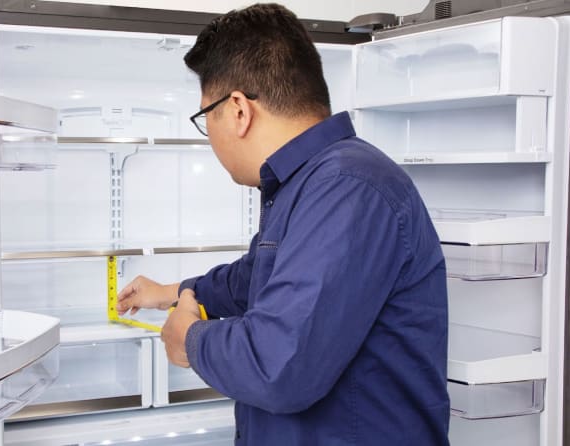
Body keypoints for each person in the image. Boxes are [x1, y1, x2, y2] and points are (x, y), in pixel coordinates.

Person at [116, 3, 449, 445]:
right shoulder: (312, 181)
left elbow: (280, 365)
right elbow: (256, 278)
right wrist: (171, 293)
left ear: (237, 110)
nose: (209, 135)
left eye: (205, 118)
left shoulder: (349, 187)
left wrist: (190, 340)